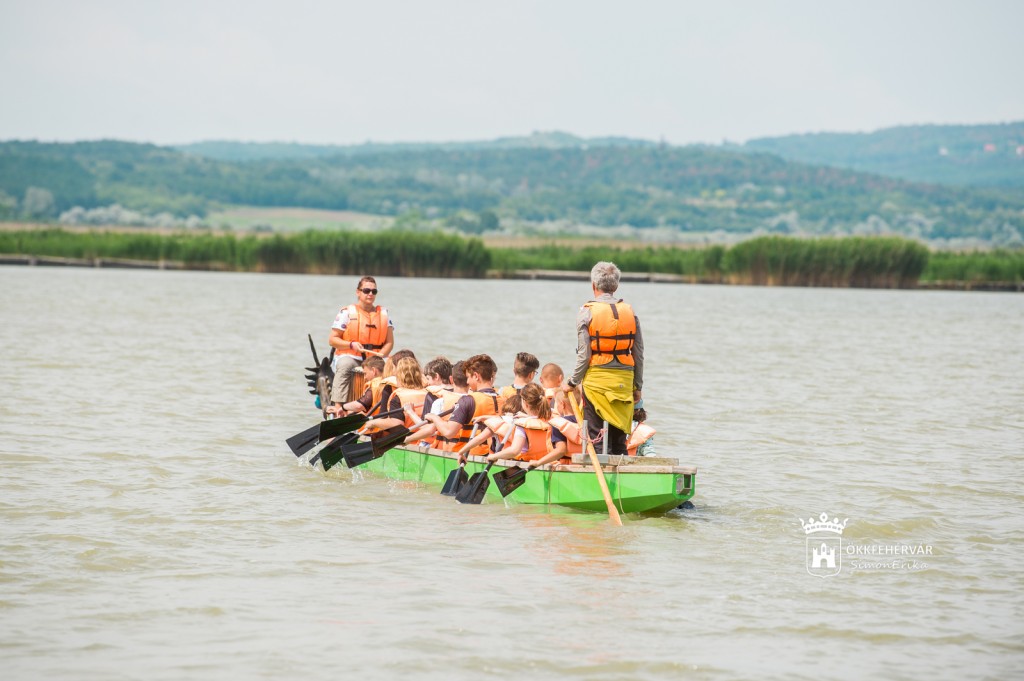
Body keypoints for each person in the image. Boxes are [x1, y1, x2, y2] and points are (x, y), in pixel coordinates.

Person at [563, 261, 644, 457]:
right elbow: (639, 352)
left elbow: (584, 355)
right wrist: (637, 386)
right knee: (618, 438)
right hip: (624, 382)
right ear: (616, 286)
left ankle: (600, 473)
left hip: (596, 383)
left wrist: (572, 382)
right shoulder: (630, 312)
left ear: (593, 285)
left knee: (597, 437)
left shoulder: (586, 312)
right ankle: (622, 473)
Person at [328, 276, 395, 408]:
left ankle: (388, 406)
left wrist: (380, 355)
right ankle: (338, 407)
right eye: (366, 290)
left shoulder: (384, 314)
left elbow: (390, 342)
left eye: (374, 291)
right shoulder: (346, 313)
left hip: (375, 357)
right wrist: (351, 344)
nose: (370, 294)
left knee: (393, 368)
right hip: (352, 356)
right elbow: (332, 340)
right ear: (358, 292)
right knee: (345, 365)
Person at [425, 354, 501, 457]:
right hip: (493, 456)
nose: (467, 381)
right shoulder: (503, 399)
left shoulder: (468, 400)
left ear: (476, 376)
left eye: (468, 377)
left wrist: (434, 417)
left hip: (467, 457)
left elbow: (449, 432)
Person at [486, 383, 555, 464]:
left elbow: (514, 450)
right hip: (548, 462)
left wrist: (494, 456)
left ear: (525, 403)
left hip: (528, 464)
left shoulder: (522, 424)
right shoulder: (553, 420)